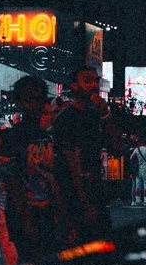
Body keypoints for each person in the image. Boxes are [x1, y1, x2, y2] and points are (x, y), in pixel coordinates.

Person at [0, 76, 59, 264]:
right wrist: (26, 219)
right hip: (23, 214)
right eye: (29, 100)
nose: (34, 105)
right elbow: (11, 182)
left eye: (38, 99)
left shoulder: (49, 137)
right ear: (19, 102)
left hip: (48, 212)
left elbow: (55, 178)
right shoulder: (11, 137)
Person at [48, 68, 112, 242]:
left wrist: (105, 113)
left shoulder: (95, 115)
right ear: (74, 86)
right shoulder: (65, 119)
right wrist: (84, 203)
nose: (93, 85)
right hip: (74, 196)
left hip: (95, 191)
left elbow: (116, 146)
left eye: (95, 80)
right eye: (87, 80)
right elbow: (71, 163)